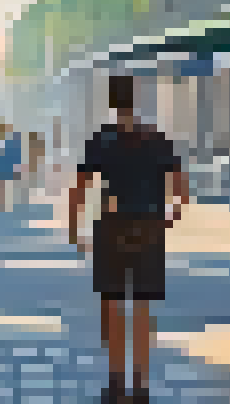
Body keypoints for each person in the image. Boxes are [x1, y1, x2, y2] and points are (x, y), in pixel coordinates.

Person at [70, 76, 187, 404]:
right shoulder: (158, 138)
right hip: (149, 225)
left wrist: (73, 229)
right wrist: (170, 214)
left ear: (111, 101)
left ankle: (116, 378)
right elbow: (180, 188)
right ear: (135, 100)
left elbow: (79, 189)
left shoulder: (101, 139)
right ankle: (141, 380)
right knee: (142, 306)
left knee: (113, 303)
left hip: (111, 225)